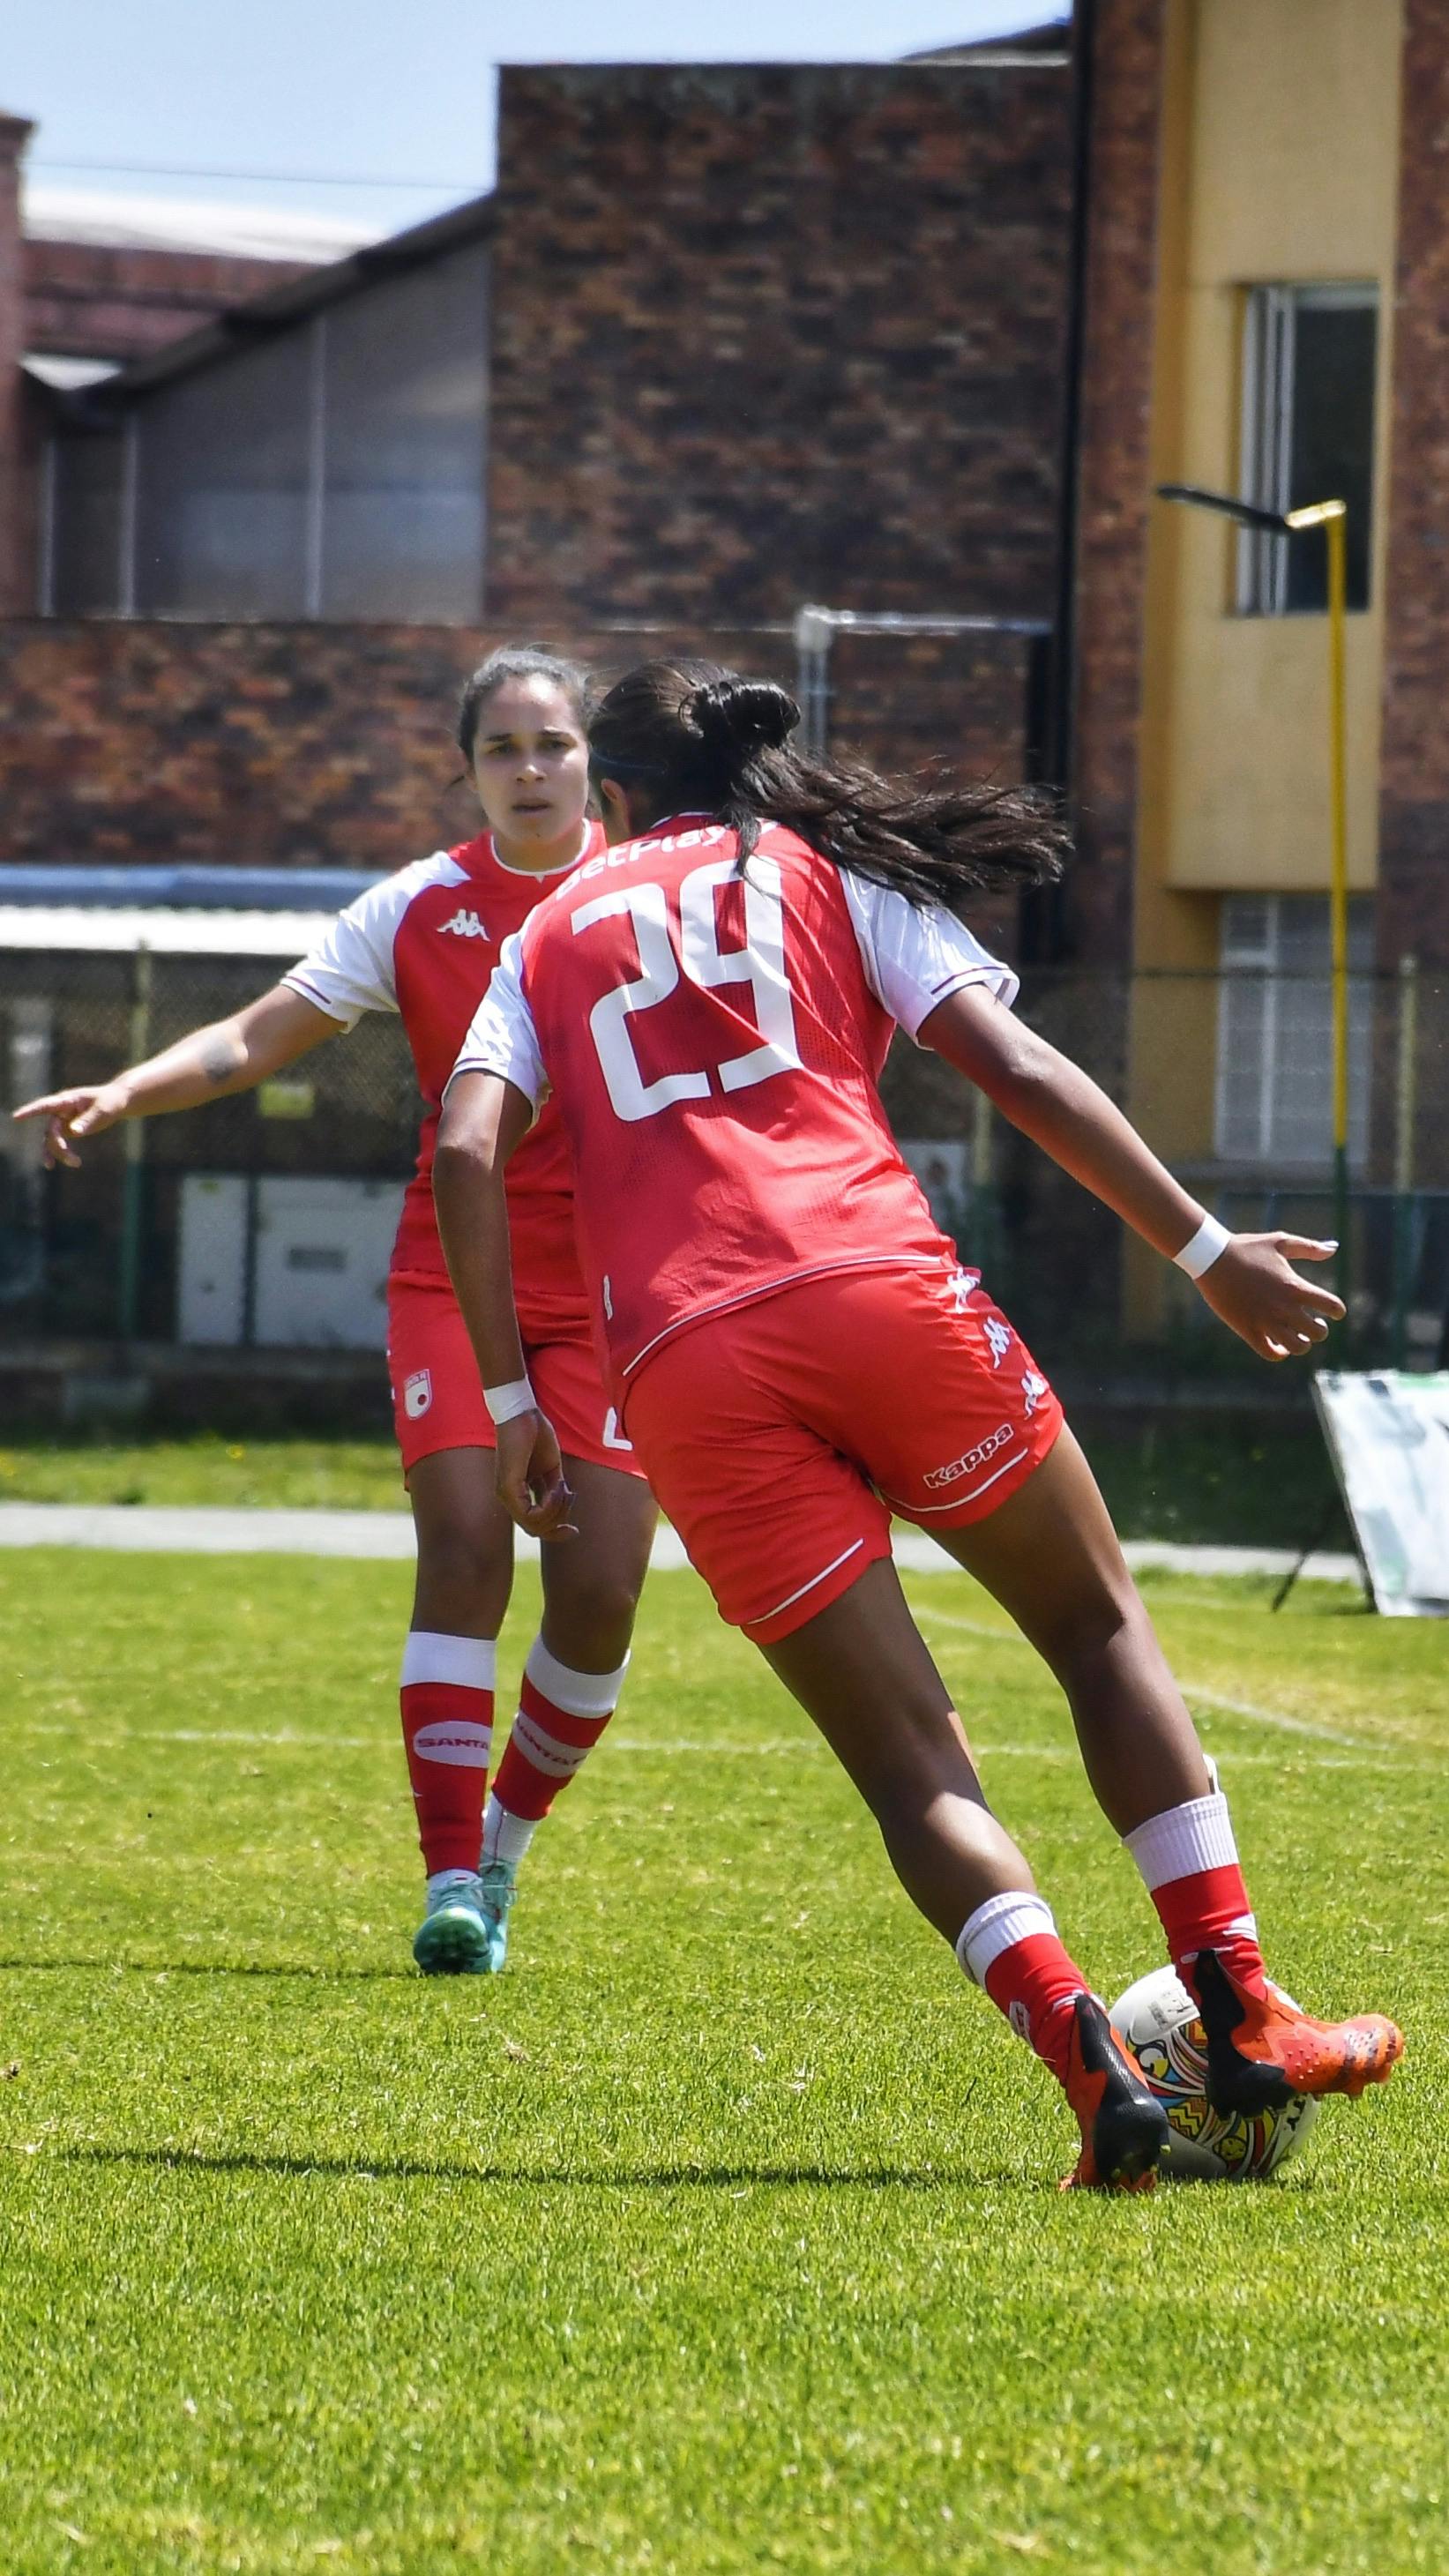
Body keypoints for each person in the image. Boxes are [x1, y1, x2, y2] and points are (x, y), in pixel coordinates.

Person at [431, 658, 1403, 2190]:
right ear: (752, 768)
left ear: (610, 795)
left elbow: (465, 1148)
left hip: (681, 1366)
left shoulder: (547, 928)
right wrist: (1208, 1251)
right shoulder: (822, 869)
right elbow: (1013, 1063)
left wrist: (510, 1402)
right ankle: (1239, 2002)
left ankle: (1085, 2059)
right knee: (1095, 1627)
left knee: (912, 1765)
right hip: (880, 1291)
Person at [13, 646, 658, 1979]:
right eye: (501, 748)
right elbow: (255, 1037)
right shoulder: (417, 908)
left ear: (595, 760)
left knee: (599, 1592)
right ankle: (449, 1882)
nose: (530, 769)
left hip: (612, 1291)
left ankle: (504, 1846)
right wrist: (123, 1090)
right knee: (466, 1547)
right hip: (453, 1275)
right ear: (466, 769)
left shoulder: (652, 893)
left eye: (553, 743)